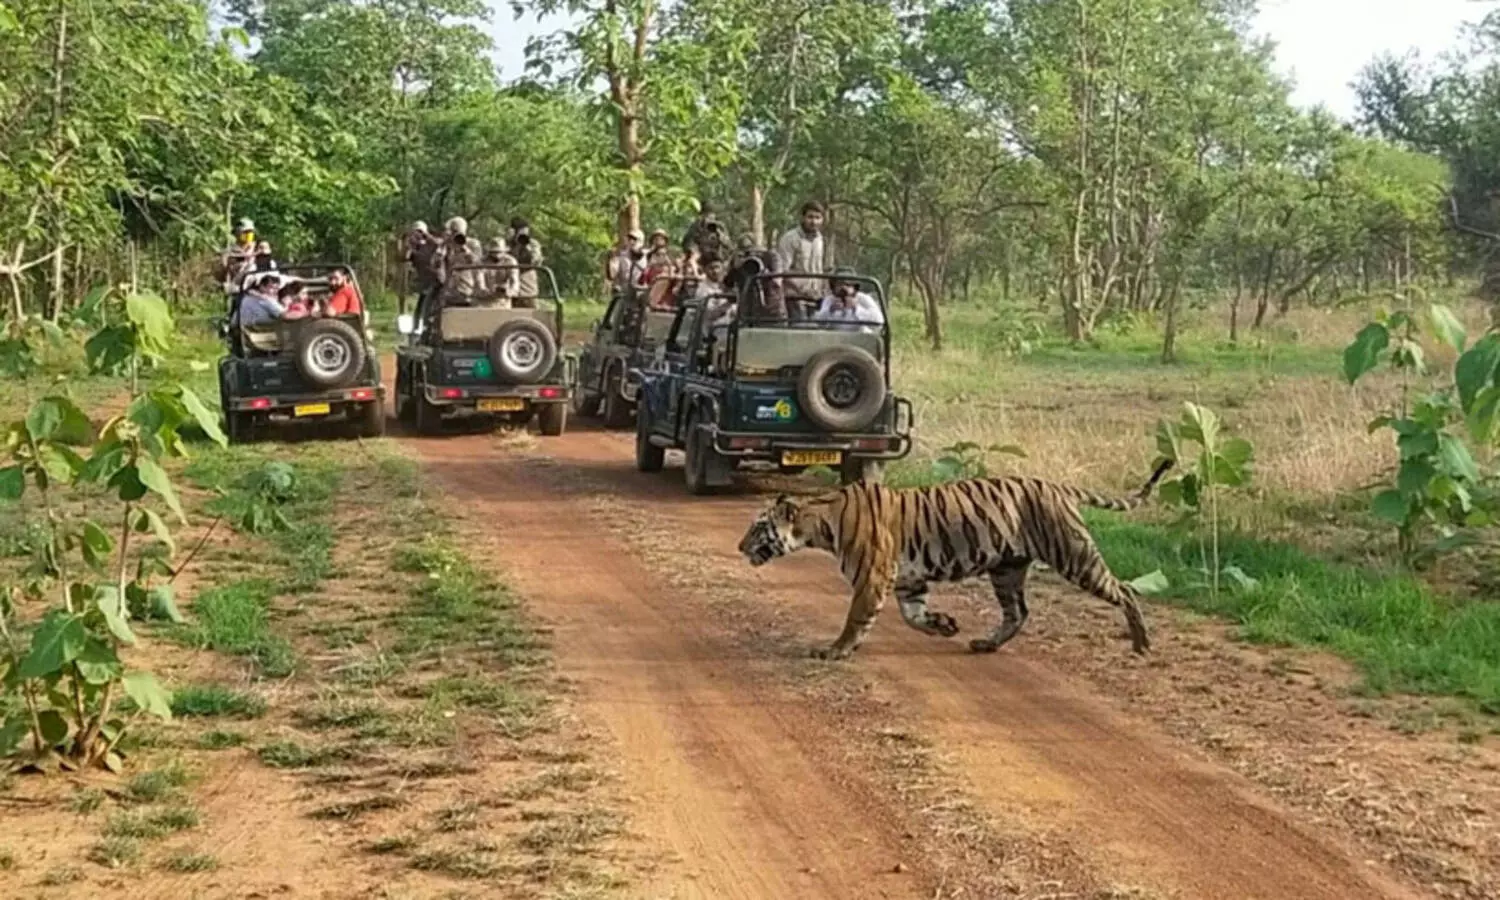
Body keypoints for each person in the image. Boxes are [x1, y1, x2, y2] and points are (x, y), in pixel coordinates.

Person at [777, 201, 828, 301]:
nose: (814, 222)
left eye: (818, 218)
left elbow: (821, 269)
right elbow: (783, 270)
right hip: (794, 297)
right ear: (803, 218)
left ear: (822, 220)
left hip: (817, 296)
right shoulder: (790, 238)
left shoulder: (820, 240)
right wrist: (801, 288)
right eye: (810, 217)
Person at [814, 268, 884, 327]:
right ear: (833, 287)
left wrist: (856, 308)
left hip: (859, 339)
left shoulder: (863, 299)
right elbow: (818, 322)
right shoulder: (829, 300)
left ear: (854, 287)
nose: (843, 288)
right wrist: (831, 310)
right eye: (839, 284)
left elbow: (879, 320)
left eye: (848, 284)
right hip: (834, 339)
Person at [436, 216, 483, 302]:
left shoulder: (473, 244)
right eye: (452, 231)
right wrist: (442, 247)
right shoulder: (448, 244)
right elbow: (435, 264)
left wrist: (464, 248)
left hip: (468, 288)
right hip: (449, 289)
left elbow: (477, 263)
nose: (454, 234)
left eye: (456, 231)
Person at [681, 200, 730, 267]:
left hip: (718, 259)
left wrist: (719, 234)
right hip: (700, 258)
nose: (710, 217)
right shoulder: (697, 225)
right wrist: (694, 251)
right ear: (702, 215)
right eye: (707, 215)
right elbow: (688, 242)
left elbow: (728, 244)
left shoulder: (720, 226)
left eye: (711, 214)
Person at [509, 217, 544, 307]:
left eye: (525, 230)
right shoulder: (507, 244)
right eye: (520, 231)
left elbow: (535, 261)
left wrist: (526, 247)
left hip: (528, 287)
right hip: (510, 288)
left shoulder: (533, 244)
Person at [219, 218, 258, 296]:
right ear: (238, 233)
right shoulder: (230, 250)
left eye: (250, 232)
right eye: (245, 232)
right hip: (237, 283)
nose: (248, 234)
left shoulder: (257, 247)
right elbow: (225, 268)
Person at [404, 221, 441, 299]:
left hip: (433, 278)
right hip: (423, 279)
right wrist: (410, 246)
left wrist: (426, 235)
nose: (418, 234)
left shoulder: (431, 244)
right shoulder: (416, 245)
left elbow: (438, 244)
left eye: (420, 232)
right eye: (415, 232)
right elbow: (407, 258)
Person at [482, 237, 519, 307]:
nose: (496, 255)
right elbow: (479, 282)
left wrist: (508, 292)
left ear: (504, 251)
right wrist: (487, 291)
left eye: (499, 252)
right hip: (484, 301)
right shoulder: (481, 261)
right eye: (494, 252)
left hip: (503, 301)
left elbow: (514, 282)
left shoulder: (510, 261)